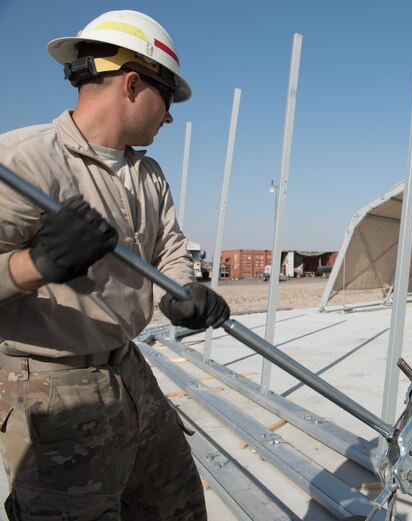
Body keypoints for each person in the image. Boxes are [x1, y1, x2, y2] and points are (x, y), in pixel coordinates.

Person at [0, 10, 230, 520]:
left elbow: (170, 246)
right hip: (53, 390)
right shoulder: (26, 163)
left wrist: (181, 292)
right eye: (166, 99)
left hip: (127, 369)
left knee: (177, 506)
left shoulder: (147, 173)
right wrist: (37, 263)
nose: (169, 117)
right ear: (132, 84)